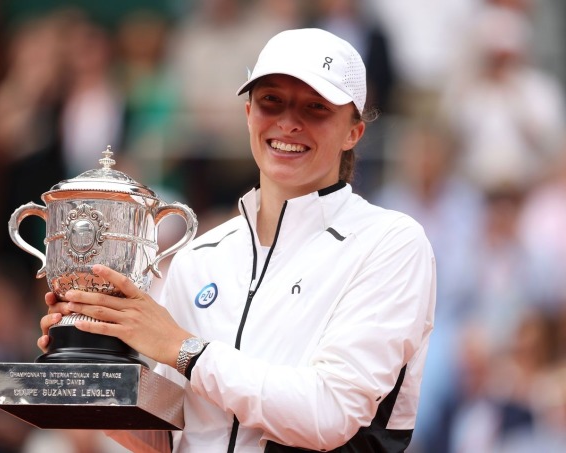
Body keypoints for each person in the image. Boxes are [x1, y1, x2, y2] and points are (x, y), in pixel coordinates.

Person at [38, 28, 436, 452]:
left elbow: (329, 414)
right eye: (271, 101)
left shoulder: (390, 243)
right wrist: (97, 362)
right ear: (249, 113)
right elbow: (173, 437)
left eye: (315, 107)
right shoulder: (199, 257)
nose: (288, 122)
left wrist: (184, 349)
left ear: (353, 132)